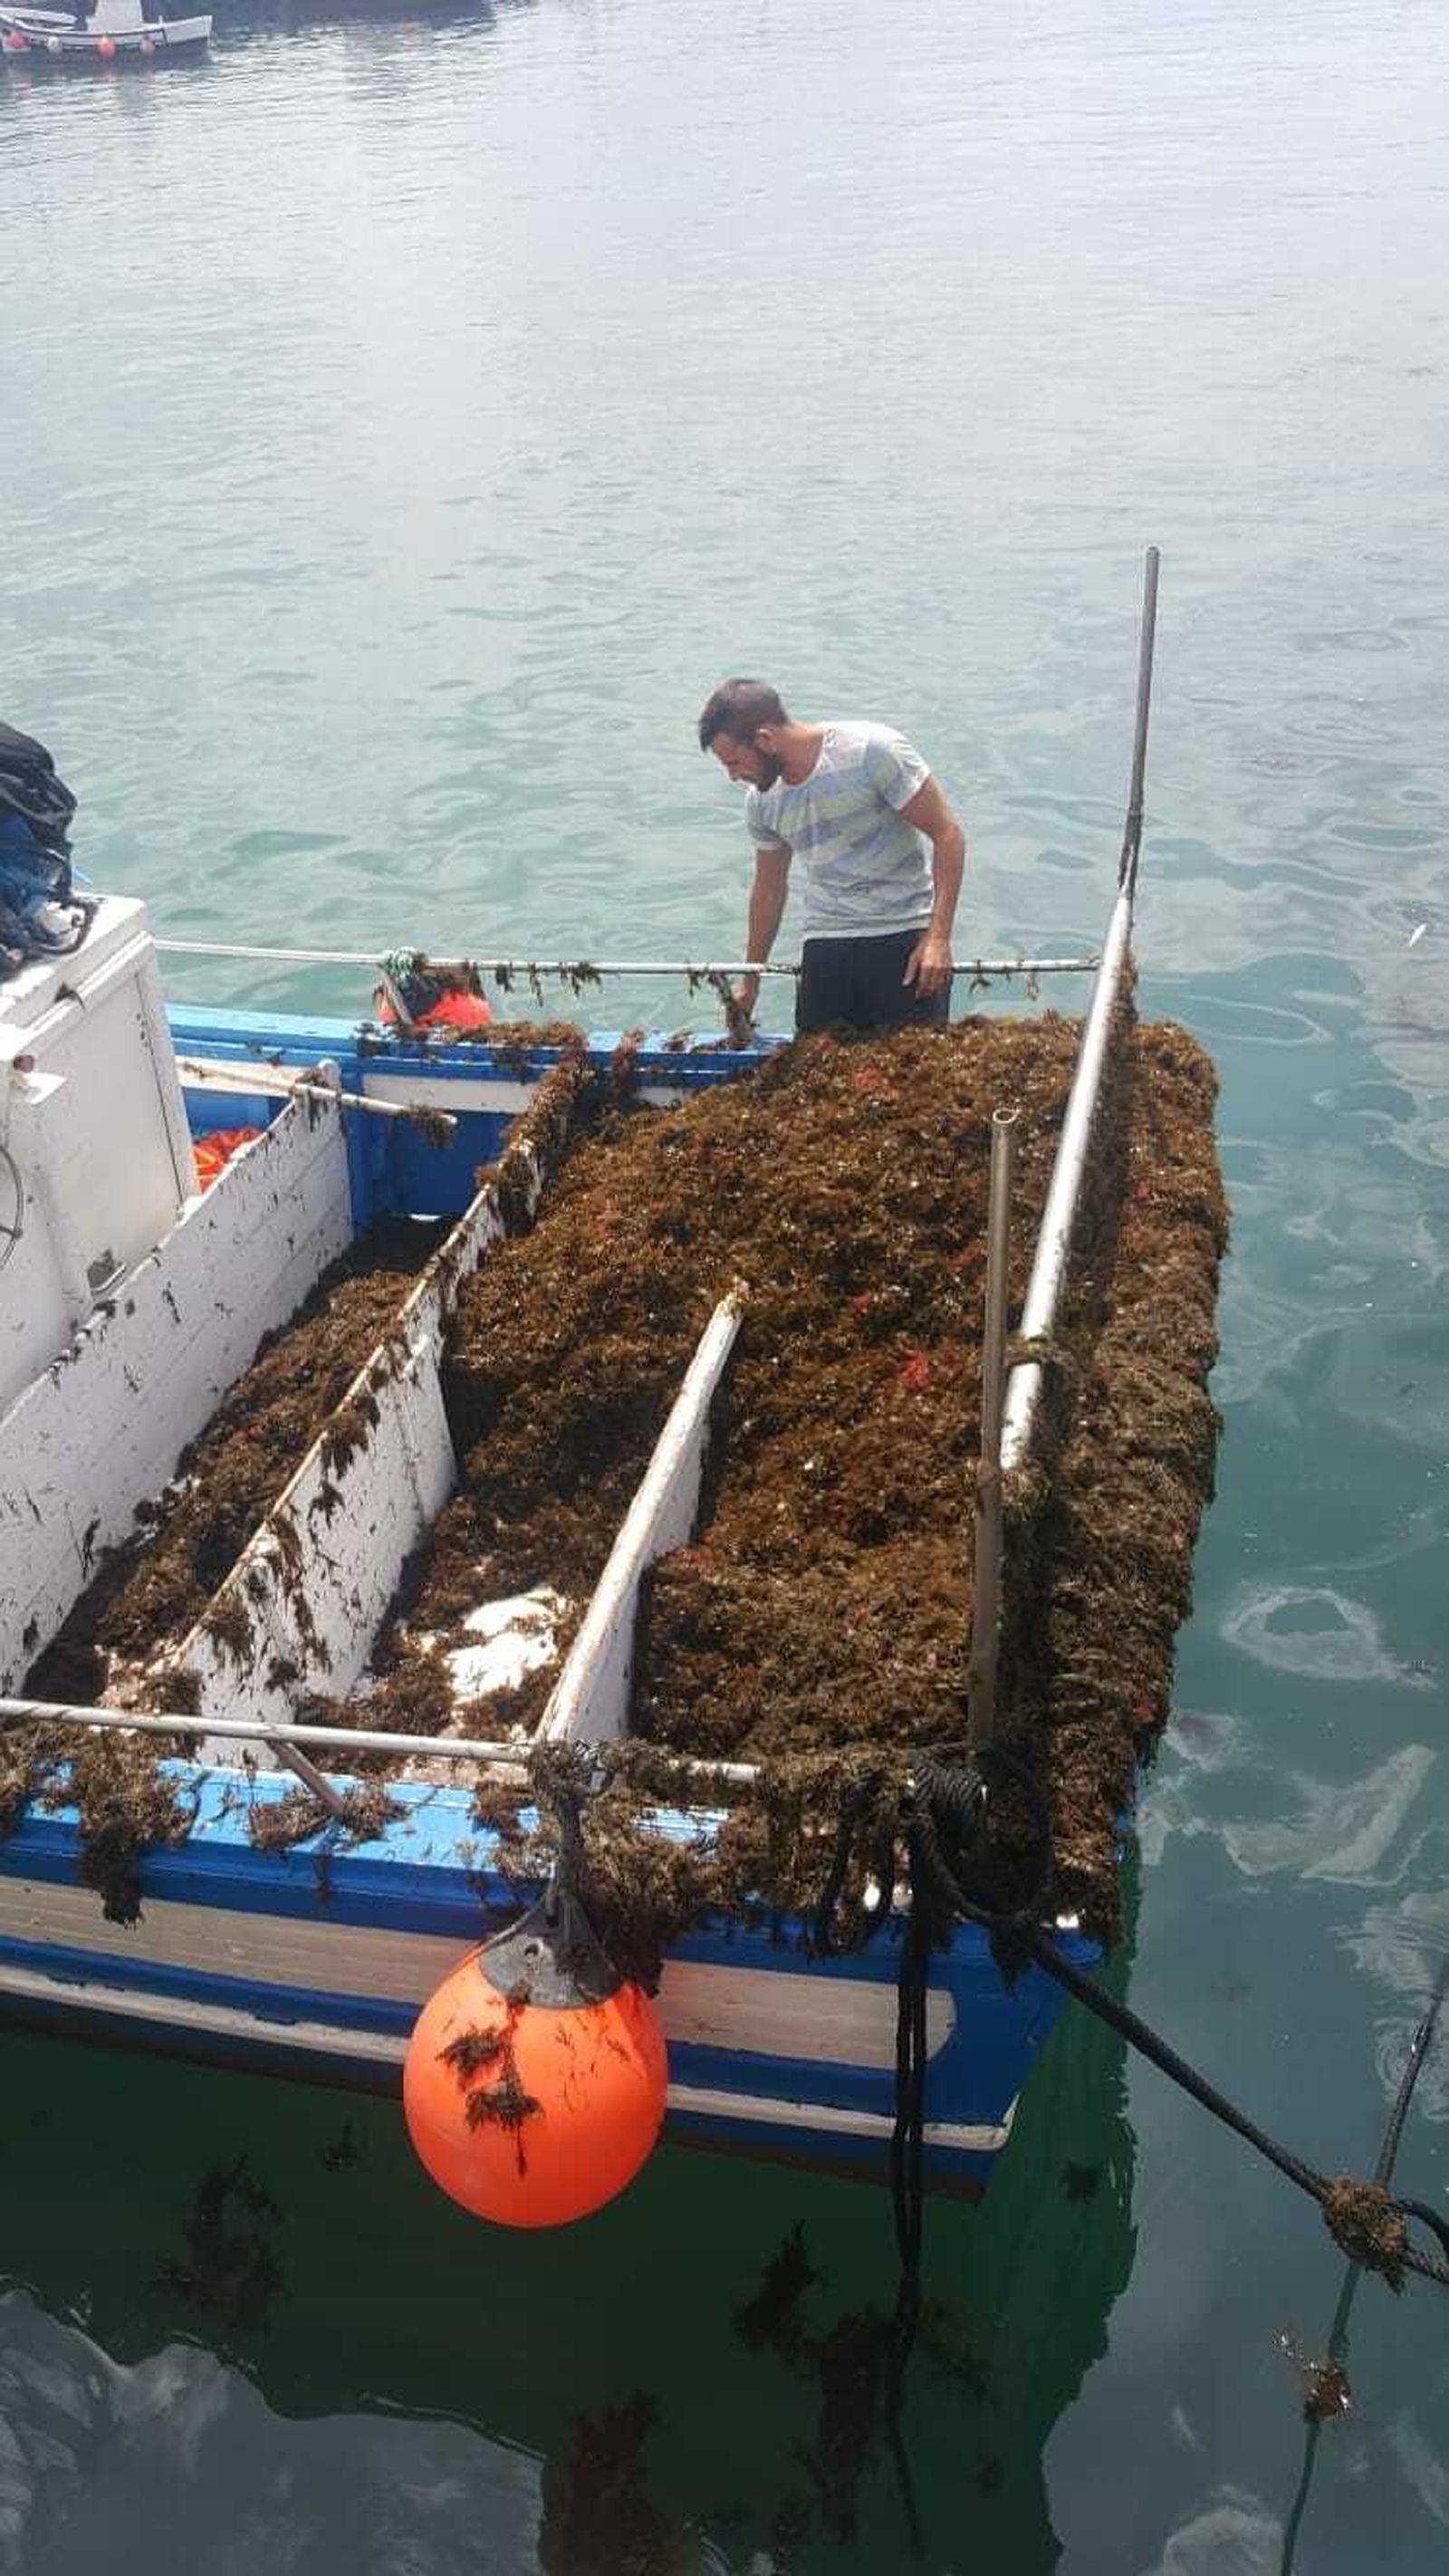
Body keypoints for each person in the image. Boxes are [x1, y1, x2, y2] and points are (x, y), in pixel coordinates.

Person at [697, 678, 965, 1035]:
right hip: (825, 944)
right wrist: (751, 981)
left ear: (765, 739)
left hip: (902, 935)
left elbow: (948, 835)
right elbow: (768, 891)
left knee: (912, 1065)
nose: (733, 776)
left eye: (734, 762)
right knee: (815, 1063)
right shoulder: (761, 800)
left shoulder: (872, 751)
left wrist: (938, 938)